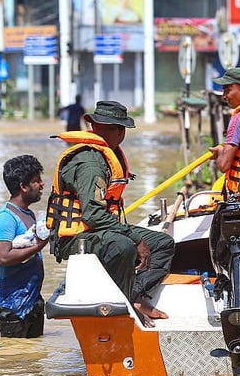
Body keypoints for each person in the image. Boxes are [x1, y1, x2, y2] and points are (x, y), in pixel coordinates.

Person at [46, 100, 175, 327]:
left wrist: (138, 238)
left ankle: (135, 297)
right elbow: (93, 215)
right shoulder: (90, 163)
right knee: (123, 246)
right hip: (74, 238)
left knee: (163, 243)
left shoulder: (106, 155)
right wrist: (135, 239)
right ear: (120, 131)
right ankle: (124, 307)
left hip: (97, 230)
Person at [0, 155, 49, 338]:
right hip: (11, 303)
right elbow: (4, 257)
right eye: (36, 181)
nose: (42, 184)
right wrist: (39, 246)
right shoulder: (6, 218)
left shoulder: (29, 214)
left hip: (32, 298)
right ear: (23, 187)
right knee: (12, 360)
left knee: (32, 358)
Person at [208, 67, 240, 194]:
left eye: (227, 90)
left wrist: (220, 153)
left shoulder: (239, 118)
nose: (224, 96)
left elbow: (224, 165)